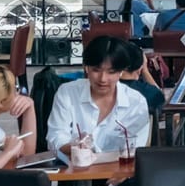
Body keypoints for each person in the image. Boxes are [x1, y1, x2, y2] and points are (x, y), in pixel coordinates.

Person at [47, 35, 154, 168]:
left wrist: (110, 185)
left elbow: (135, 147)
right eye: (96, 70)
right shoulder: (67, 93)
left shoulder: (136, 102)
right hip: (75, 171)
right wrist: (74, 147)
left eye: (111, 72)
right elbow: (55, 136)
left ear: (121, 72)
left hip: (118, 174)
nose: (103, 79)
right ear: (86, 68)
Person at [116, 40, 166, 113]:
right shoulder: (150, 92)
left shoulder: (103, 88)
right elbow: (161, 103)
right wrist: (145, 71)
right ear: (141, 66)